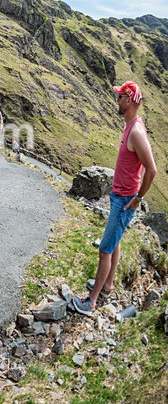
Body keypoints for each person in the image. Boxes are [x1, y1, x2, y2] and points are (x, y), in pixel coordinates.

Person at [72, 81, 157, 316]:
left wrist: (138, 198)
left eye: (120, 96)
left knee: (104, 250)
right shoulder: (130, 125)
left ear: (128, 100)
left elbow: (152, 170)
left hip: (125, 200)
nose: (117, 100)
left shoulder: (136, 131)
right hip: (118, 195)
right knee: (115, 242)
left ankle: (91, 302)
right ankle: (107, 286)